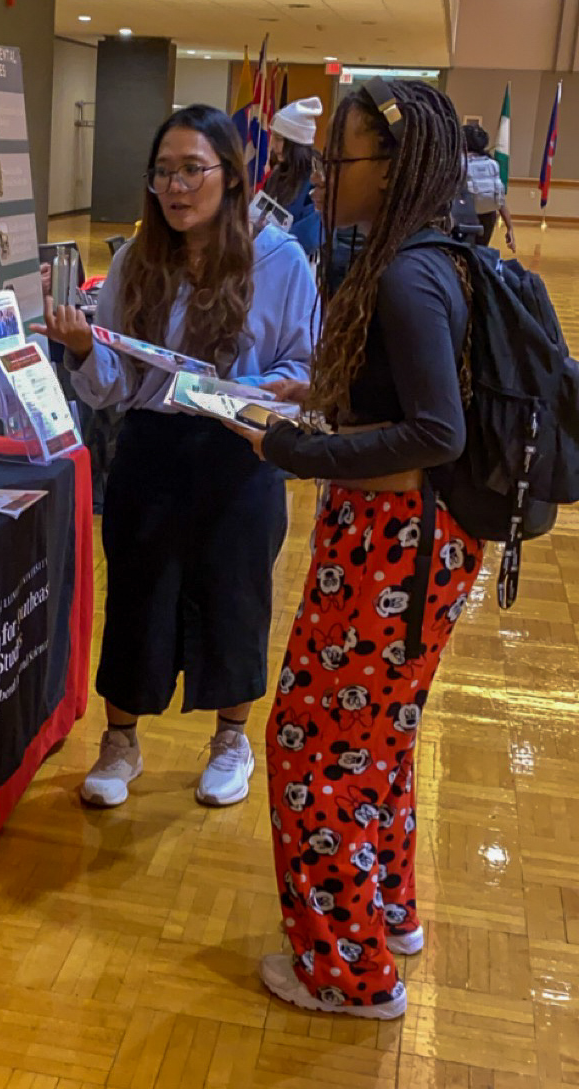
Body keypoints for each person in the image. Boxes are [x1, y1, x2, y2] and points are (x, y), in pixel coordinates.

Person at [229, 79, 484, 1019]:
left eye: (340, 159)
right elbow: (395, 401)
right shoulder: (421, 255)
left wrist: (301, 448)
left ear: (397, 164)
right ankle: (386, 913)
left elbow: (436, 431)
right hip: (405, 547)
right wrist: (310, 403)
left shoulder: (410, 273)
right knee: (373, 739)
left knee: (312, 745)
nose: (318, 172)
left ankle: (349, 972)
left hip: (394, 549)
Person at [31, 104, 317, 810]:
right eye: (164, 172)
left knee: (235, 595)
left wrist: (254, 391)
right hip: (151, 449)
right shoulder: (134, 260)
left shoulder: (279, 259)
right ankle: (120, 741)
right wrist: (80, 349)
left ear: (231, 175)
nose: (177, 186)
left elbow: (303, 368)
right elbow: (116, 387)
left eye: (193, 169)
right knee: (137, 593)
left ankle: (230, 739)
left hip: (241, 449)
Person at [263, 97, 324, 257]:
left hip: (296, 263)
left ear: (296, 143)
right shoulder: (278, 173)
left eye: (278, 139)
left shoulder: (316, 179)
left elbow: (311, 237)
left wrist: (269, 237)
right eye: (273, 137)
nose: (273, 146)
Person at [463, 122, 516, 251]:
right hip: (487, 218)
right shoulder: (492, 164)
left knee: (462, 254)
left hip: (464, 217)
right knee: (481, 252)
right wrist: (509, 227)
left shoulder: (459, 163)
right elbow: (500, 199)